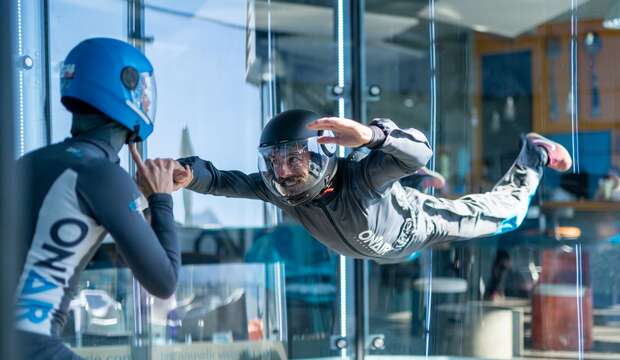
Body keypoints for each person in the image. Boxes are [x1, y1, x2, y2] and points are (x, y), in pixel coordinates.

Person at [174, 109, 571, 263]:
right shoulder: (281, 190)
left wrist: (369, 135)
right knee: (393, 178)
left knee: (509, 216)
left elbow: (420, 152)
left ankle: (533, 153)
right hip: (385, 248)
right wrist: (186, 173)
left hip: (418, 225)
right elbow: (224, 180)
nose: (283, 170)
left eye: (293, 157)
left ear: (318, 155)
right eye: (275, 160)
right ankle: (410, 184)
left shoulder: (359, 181)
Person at [15, 38, 188, 359]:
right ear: (128, 86)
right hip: (32, 345)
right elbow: (164, 281)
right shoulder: (101, 175)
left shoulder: (32, 161)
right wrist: (161, 197)